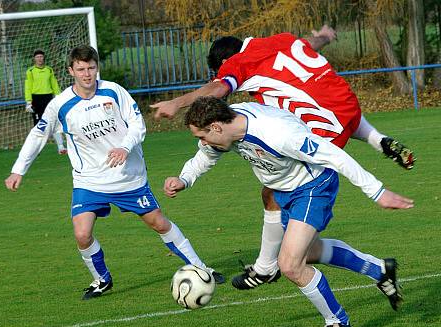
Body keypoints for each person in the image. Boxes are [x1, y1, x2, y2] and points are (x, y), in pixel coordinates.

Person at [152, 26, 416, 288]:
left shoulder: (238, 63)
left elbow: (218, 89)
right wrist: (324, 36)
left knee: (279, 206)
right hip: (346, 107)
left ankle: (267, 270)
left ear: (225, 61)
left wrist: (177, 103)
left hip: (321, 126)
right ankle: (377, 141)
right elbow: (310, 44)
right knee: (305, 247)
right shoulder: (280, 41)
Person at [164, 97, 413, 327]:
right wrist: (184, 178)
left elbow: (336, 156)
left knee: (291, 265)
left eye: (201, 136)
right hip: (281, 189)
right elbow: (205, 156)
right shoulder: (226, 128)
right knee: (310, 252)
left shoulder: (279, 134)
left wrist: (378, 192)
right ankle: (379, 269)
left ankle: (337, 322)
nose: (201, 142)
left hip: (313, 187)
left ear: (216, 127)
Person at [6, 45, 224, 301]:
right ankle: (101, 279)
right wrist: (19, 169)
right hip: (89, 181)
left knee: (159, 223)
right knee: (82, 233)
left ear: (96, 68)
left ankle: (201, 268)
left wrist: (124, 147)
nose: (87, 74)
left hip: (128, 177)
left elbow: (137, 124)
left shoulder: (114, 91)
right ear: (71, 71)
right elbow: (39, 134)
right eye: (81, 69)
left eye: (91, 68)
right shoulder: (61, 105)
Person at [25, 49, 67, 154]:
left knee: (54, 120)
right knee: (38, 124)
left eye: (41, 56)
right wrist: (28, 102)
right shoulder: (30, 71)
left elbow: (54, 83)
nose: (39, 59)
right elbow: (28, 86)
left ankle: (61, 147)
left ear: (44, 58)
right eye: (37, 57)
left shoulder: (49, 70)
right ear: (34, 59)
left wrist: (59, 96)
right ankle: (35, 149)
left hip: (48, 98)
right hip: (36, 99)